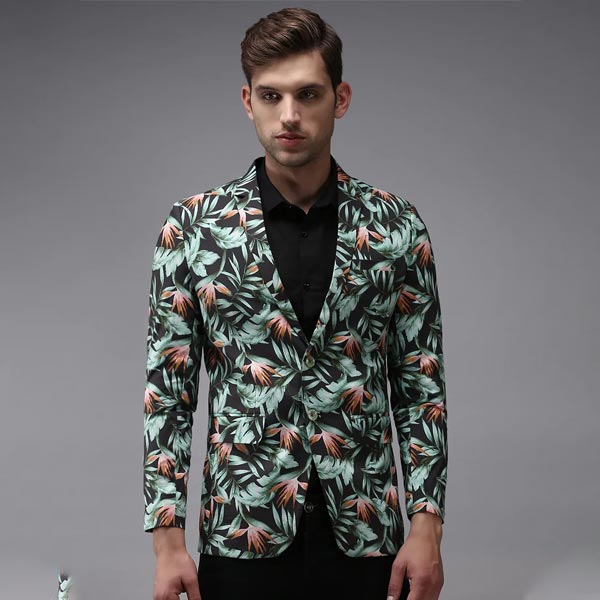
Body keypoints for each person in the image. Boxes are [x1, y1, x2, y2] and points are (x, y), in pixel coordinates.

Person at [143, 7, 447, 600]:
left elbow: (420, 386)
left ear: (340, 98)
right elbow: (168, 393)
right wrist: (167, 541)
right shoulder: (195, 228)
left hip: (368, 531)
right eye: (271, 95)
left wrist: (426, 527)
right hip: (242, 527)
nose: (289, 115)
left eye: (308, 94)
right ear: (247, 101)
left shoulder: (395, 226)